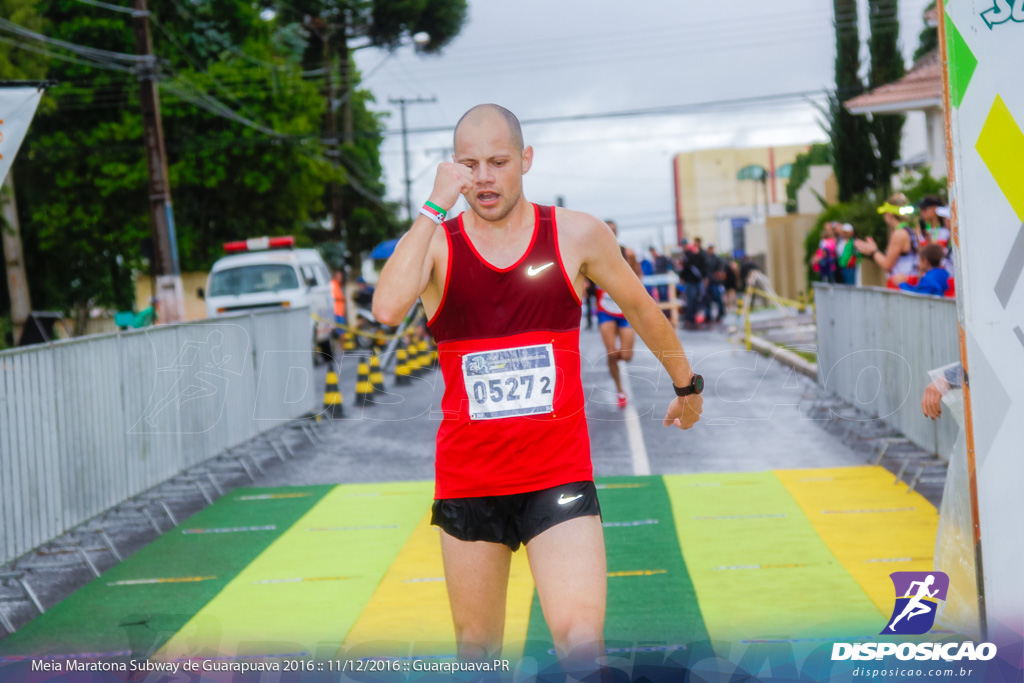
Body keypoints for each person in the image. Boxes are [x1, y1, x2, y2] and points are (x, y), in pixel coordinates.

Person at [372, 104, 703, 672]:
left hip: (558, 474)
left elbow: (643, 311)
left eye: (498, 162)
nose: (484, 178)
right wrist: (431, 207)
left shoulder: (576, 234)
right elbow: (386, 308)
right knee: (478, 653)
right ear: (453, 170)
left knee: (581, 642)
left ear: (525, 160)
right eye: (469, 165)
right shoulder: (438, 243)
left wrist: (687, 385)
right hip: (469, 481)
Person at [596, 220, 642, 409]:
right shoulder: (593, 253)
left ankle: (616, 363)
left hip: (624, 310)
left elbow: (638, 279)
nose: (610, 233)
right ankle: (620, 390)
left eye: (613, 230)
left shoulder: (628, 253)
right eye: (606, 230)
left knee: (626, 355)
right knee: (611, 352)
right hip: (605, 310)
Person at [854, 193, 919, 288]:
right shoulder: (911, 231)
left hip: (900, 287)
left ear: (889, 214)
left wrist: (873, 251)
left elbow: (887, 265)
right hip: (909, 284)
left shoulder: (899, 234)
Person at [678, 237, 706, 329]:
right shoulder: (691, 254)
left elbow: (686, 268)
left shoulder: (688, 255)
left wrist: (682, 277)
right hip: (693, 281)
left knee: (691, 301)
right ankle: (691, 319)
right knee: (692, 300)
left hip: (691, 282)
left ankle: (690, 319)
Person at [704, 244, 725, 323]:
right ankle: (708, 315)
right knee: (708, 300)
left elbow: (720, 270)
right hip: (709, 282)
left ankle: (720, 314)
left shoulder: (717, 259)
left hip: (715, 282)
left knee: (718, 298)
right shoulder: (706, 259)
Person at [330, 269, 347, 338]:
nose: (341, 278)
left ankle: (342, 348)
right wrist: (342, 299)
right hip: (336, 312)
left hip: (340, 312)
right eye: (339, 277)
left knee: (341, 332)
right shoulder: (332, 284)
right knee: (341, 333)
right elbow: (332, 297)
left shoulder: (337, 285)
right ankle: (341, 348)